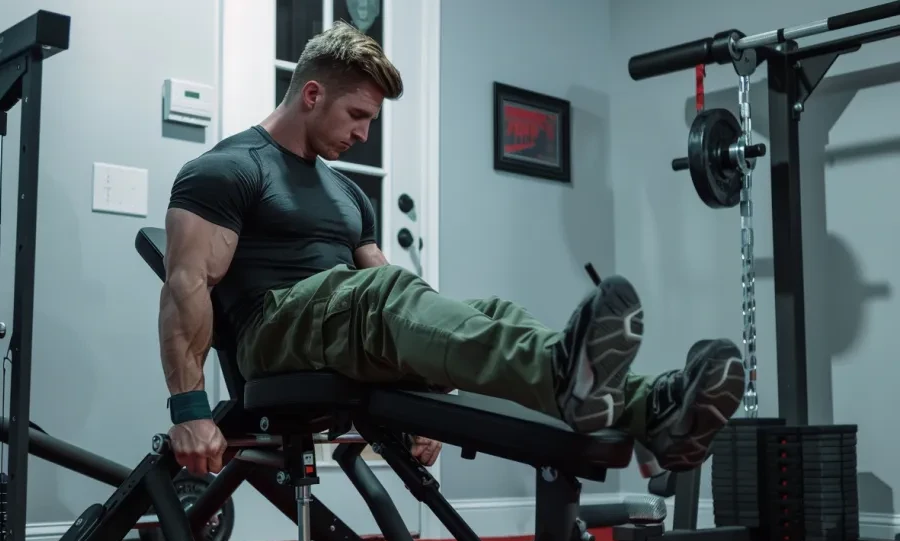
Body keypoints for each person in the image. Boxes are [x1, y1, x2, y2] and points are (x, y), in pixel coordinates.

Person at [159, 21, 746, 477]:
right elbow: (186, 285)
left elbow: (397, 299)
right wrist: (189, 410)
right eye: (357, 115)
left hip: (342, 325)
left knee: (491, 314)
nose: (365, 133)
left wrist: (428, 385)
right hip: (272, 336)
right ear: (311, 94)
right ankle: (571, 375)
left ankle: (653, 411)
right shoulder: (227, 170)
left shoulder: (346, 194)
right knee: (382, 293)